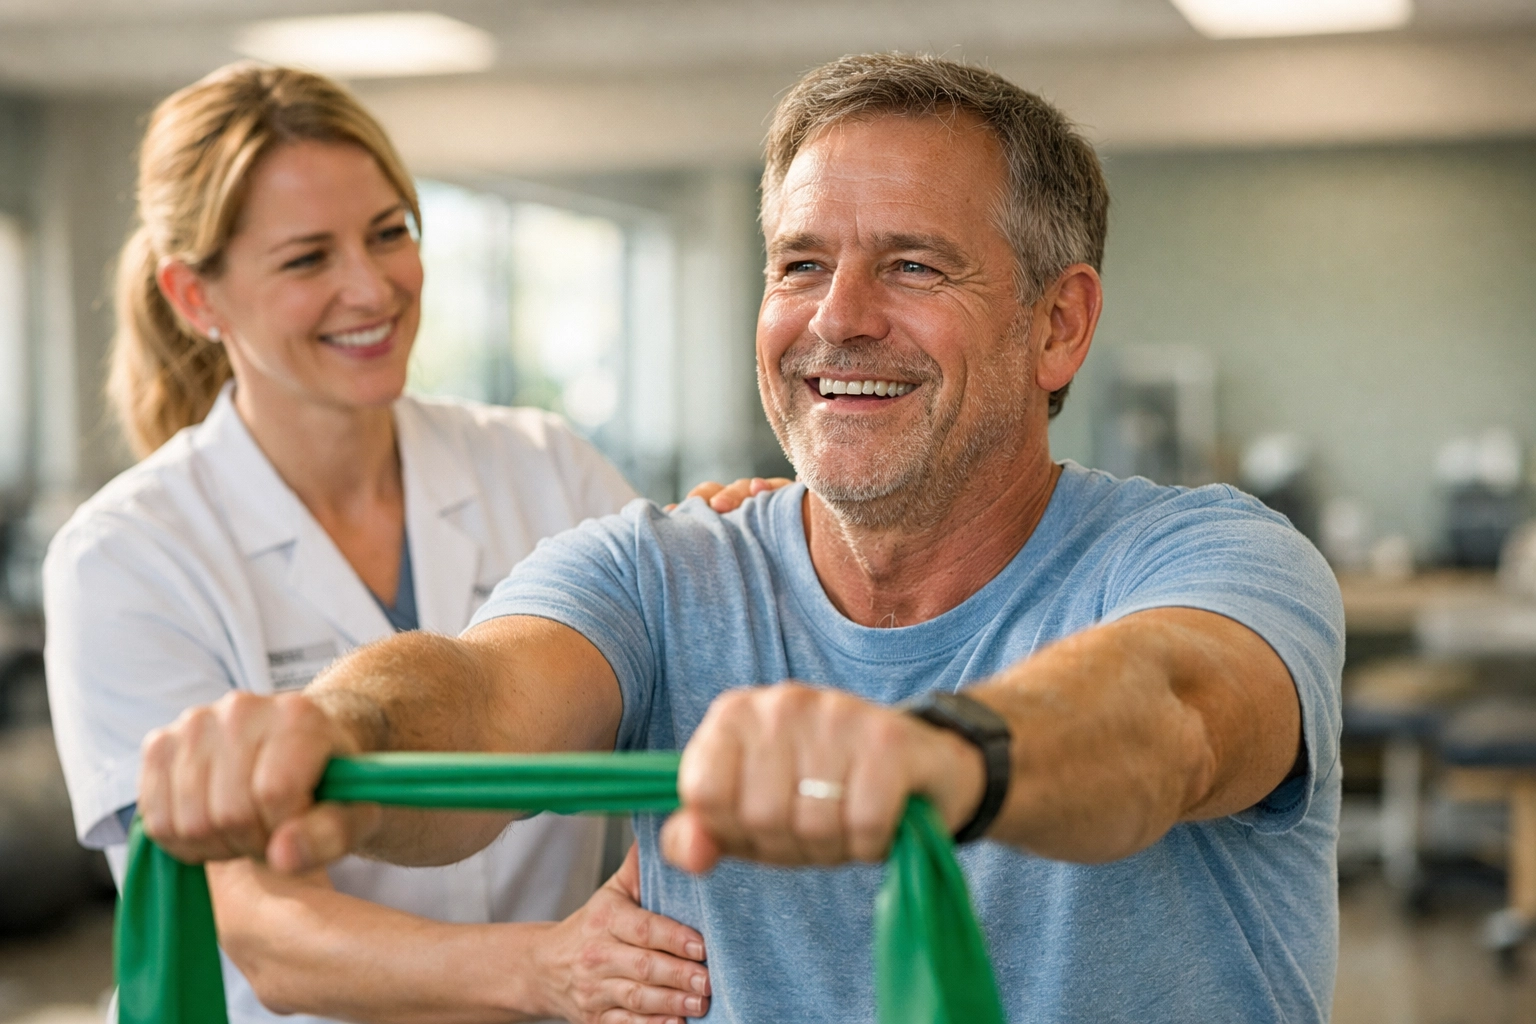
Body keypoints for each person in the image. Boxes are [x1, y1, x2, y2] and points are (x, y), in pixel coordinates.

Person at [134, 54, 1344, 1023]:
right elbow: (481, 692)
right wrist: (336, 734)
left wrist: (945, 752)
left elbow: (1173, 713)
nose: (839, 318)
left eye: (913, 266)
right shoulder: (657, 570)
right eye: (800, 264)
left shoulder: (1217, 558)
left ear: (1059, 325)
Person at [44, 62, 783, 1024]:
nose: (371, 287)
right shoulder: (125, 555)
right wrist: (546, 968)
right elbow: (255, 927)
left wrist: (730, 556)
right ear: (195, 298)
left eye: (389, 232)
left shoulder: (543, 465)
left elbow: (683, 686)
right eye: (307, 259)